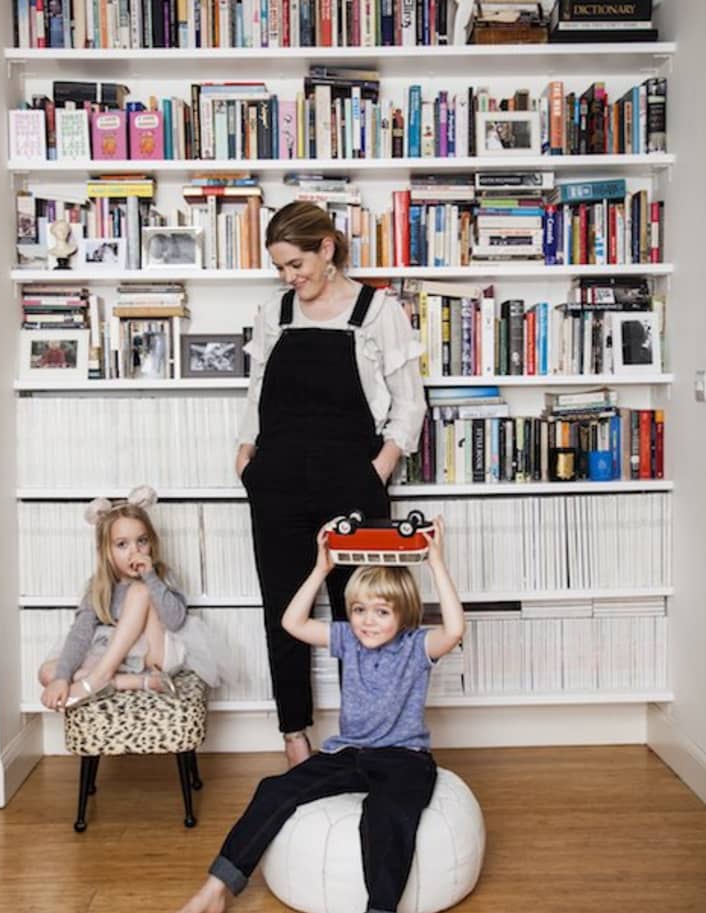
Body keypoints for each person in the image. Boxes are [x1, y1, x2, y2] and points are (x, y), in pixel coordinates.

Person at [174, 515, 464, 913]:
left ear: (403, 612)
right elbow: (291, 622)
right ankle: (215, 889)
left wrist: (436, 563)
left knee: (385, 816)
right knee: (275, 789)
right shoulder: (348, 638)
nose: (367, 620)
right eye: (360, 609)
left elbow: (454, 630)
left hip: (404, 758)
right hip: (350, 753)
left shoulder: (416, 646)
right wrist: (320, 567)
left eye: (381, 612)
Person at [236, 200, 426, 766]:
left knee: (364, 613)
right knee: (284, 609)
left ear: (327, 249)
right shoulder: (277, 313)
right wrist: (246, 457)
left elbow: (409, 402)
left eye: (297, 264)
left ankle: (366, 734)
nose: (290, 278)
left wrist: (380, 466)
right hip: (277, 483)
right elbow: (257, 393)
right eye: (280, 269)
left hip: (351, 482)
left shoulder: (377, 311)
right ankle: (295, 736)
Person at [38, 486, 221, 710]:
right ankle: (137, 682)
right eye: (122, 544)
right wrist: (60, 678)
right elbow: (80, 634)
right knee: (48, 673)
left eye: (141, 541)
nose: (135, 550)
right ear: (106, 550)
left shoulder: (160, 575)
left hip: (155, 657)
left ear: (151, 542)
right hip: (119, 660)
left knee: (139, 591)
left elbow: (176, 620)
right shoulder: (99, 587)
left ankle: (101, 678)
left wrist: (150, 578)